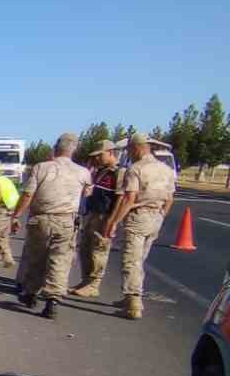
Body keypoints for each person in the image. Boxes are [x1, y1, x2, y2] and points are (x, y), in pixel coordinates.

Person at [10, 134, 91, 318]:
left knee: (36, 257)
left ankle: (30, 293)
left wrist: (16, 215)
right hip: (67, 221)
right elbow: (87, 194)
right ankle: (53, 299)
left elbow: (28, 194)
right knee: (60, 260)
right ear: (74, 150)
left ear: (55, 148)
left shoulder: (41, 168)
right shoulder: (83, 172)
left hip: (42, 219)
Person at [103, 131, 177, 319]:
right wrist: (161, 214)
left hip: (138, 216)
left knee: (131, 260)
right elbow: (170, 198)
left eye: (129, 149)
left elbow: (129, 198)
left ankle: (134, 302)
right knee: (140, 258)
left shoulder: (136, 169)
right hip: (156, 217)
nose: (128, 153)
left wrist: (113, 222)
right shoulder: (166, 170)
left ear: (137, 148)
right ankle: (130, 296)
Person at [70, 139, 121, 298]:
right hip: (92, 214)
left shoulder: (118, 172)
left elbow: (121, 199)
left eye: (100, 155)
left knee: (98, 251)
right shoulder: (100, 171)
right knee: (86, 249)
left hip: (104, 215)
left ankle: (94, 284)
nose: (97, 158)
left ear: (111, 152)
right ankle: (86, 281)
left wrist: (112, 221)